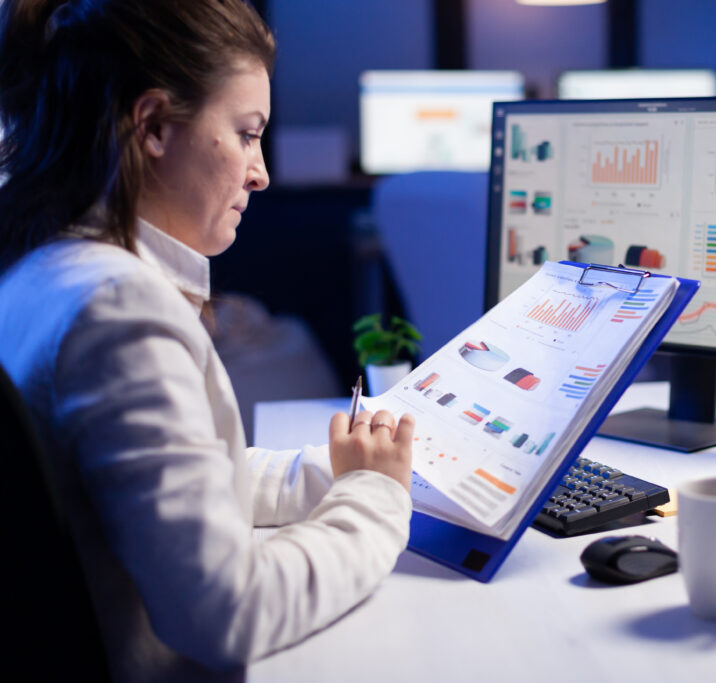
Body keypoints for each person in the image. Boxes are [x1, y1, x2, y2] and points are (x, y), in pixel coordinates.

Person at [0, 1, 415, 681]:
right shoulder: (119, 308)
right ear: (155, 124)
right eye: (248, 134)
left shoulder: (42, 267)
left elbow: (174, 482)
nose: (262, 173)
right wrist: (375, 501)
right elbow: (225, 607)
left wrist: (336, 473)